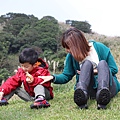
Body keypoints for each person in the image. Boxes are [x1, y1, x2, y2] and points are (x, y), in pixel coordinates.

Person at [39, 27, 120, 109]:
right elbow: (66, 75)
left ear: (77, 45)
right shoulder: (71, 56)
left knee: (102, 63)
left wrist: (94, 71)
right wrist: (52, 77)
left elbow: (114, 69)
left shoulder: (100, 48)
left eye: (68, 47)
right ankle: (82, 96)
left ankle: (103, 96)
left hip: (108, 88)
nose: (67, 50)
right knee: (86, 64)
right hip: (90, 90)